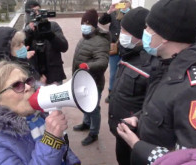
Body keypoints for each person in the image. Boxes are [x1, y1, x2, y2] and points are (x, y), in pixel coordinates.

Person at [116, 0, 196, 164]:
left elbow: (188, 158)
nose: (144, 32)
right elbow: (166, 107)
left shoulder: (193, 89)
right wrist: (140, 119)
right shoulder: (166, 63)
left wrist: (137, 145)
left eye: (148, 28)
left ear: (165, 36)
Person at [0, 60, 81, 165]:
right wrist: (50, 141)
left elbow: (63, 149)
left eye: (28, 81)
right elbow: (54, 143)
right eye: (17, 85)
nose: (28, 87)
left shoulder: (39, 116)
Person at [107, 7, 156, 165]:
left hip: (137, 135)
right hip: (121, 131)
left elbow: (155, 105)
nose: (121, 34)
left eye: (125, 30)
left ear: (140, 35)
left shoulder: (151, 65)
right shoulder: (128, 53)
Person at [72, 9, 110, 146]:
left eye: (88, 23)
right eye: (83, 22)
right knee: (85, 104)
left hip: (93, 81)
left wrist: (87, 66)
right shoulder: (85, 38)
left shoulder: (100, 41)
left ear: (94, 25)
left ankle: (94, 133)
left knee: (93, 107)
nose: (85, 25)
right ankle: (86, 123)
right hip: (83, 80)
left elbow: (103, 61)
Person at [24, 0, 68, 85]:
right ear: (28, 15)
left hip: (55, 77)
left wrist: (50, 35)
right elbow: (19, 54)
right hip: (36, 80)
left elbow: (64, 47)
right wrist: (29, 34)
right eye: (34, 12)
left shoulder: (53, 26)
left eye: (39, 11)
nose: (37, 14)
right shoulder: (25, 32)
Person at [99, 0, 131, 103]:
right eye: (122, 2)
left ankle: (124, 94)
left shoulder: (134, 13)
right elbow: (101, 21)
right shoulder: (114, 13)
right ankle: (111, 93)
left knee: (127, 72)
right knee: (113, 72)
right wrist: (109, 11)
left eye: (126, 2)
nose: (124, 4)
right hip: (115, 48)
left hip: (129, 48)